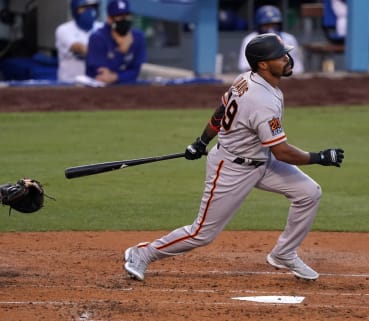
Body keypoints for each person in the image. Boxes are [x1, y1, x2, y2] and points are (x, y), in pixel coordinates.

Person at [124, 33, 345, 282]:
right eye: (280, 56)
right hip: (232, 168)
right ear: (263, 64)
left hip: (261, 161)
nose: (287, 59)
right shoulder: (261, 101)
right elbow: (281, 151)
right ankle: (143, 253)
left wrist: (201, 141)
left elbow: (221, 110)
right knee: (202, 233)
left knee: (308, 193)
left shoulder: (246, 79)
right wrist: (320, 157)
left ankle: (284, 253)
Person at [85, 0, 146, 84]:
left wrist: (116, 77)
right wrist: (121, 51)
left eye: (127, 16)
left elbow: (135, 71)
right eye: (119, 16)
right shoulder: (97, 38)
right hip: (97, 89)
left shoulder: (138, 37)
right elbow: (101, 74)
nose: (124, 20)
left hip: (127, 88)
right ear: (110, 19)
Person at [238, 5, 304, 73]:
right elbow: (246, 68)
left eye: (273, 24)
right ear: (259, 25)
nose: (271, 29)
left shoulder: (289, 38)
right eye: (267, 25)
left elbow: (297, 68)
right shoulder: (250, 40)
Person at [55, 0, 102, 83]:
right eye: (84, 8)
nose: (89, 11)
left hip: (94, 82)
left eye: (92, 7)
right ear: (75, 10)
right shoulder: (64, 29)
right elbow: (80, 48)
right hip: (69, 83)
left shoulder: (101, 27)